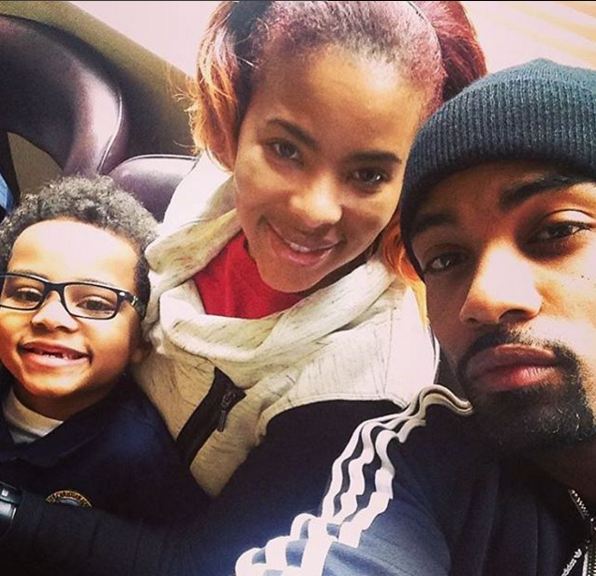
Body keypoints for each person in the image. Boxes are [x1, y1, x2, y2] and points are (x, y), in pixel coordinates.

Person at [0, 2, 485, 574]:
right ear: (234, 123)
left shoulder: (363, 385)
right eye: (285, 150)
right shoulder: (205, 191)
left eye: (369, 175)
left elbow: (201, 560)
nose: (314, 210)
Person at [234, 58, 596, 575]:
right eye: (446, 259)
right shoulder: (424, 460)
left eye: (557, 230)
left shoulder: (369, 374)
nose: (483, 297)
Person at [0, 177, 207, 529]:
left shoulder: (141, 458)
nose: (50, 317)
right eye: (25, 294)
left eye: (95, 304)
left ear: (142, 340)